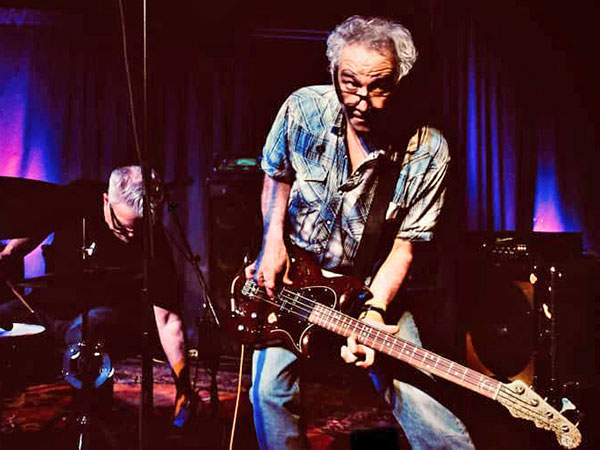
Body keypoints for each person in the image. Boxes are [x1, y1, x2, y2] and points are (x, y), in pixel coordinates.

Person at [245, 16, 474, 449]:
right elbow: (277, 175)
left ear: (401, 81)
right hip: (298, 275)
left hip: (370, 285)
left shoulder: (427, 150)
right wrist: (271, 241)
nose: (362, 101)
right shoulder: (303, 109)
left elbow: (406, 245)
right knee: (268, 393)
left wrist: (375, 311)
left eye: (379, 87)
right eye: (349, 84)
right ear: (333, 73)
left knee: (421, 400)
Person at [0, 165, 195, 428]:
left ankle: (92, 423)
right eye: (123, 227)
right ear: (106, 200)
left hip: (109, 315)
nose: (130, 237)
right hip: (50, 305)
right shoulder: (76, 197)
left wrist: (183, 387)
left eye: (137, 229)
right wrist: (10, 252)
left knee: (88, 330)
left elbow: (168, 319)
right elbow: (39, 222)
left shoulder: (153, 241)